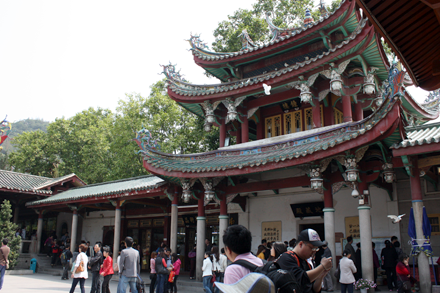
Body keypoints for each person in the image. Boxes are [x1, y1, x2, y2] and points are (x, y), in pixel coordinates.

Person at [276, 229, 332, 293]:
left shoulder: (306, 262)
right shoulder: (286, 258)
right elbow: (301, 279)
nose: (314, 251)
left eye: (316, 249)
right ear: (301, 244)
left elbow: (314, 289)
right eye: (312, 248)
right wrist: (322, 266)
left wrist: (320, 276)